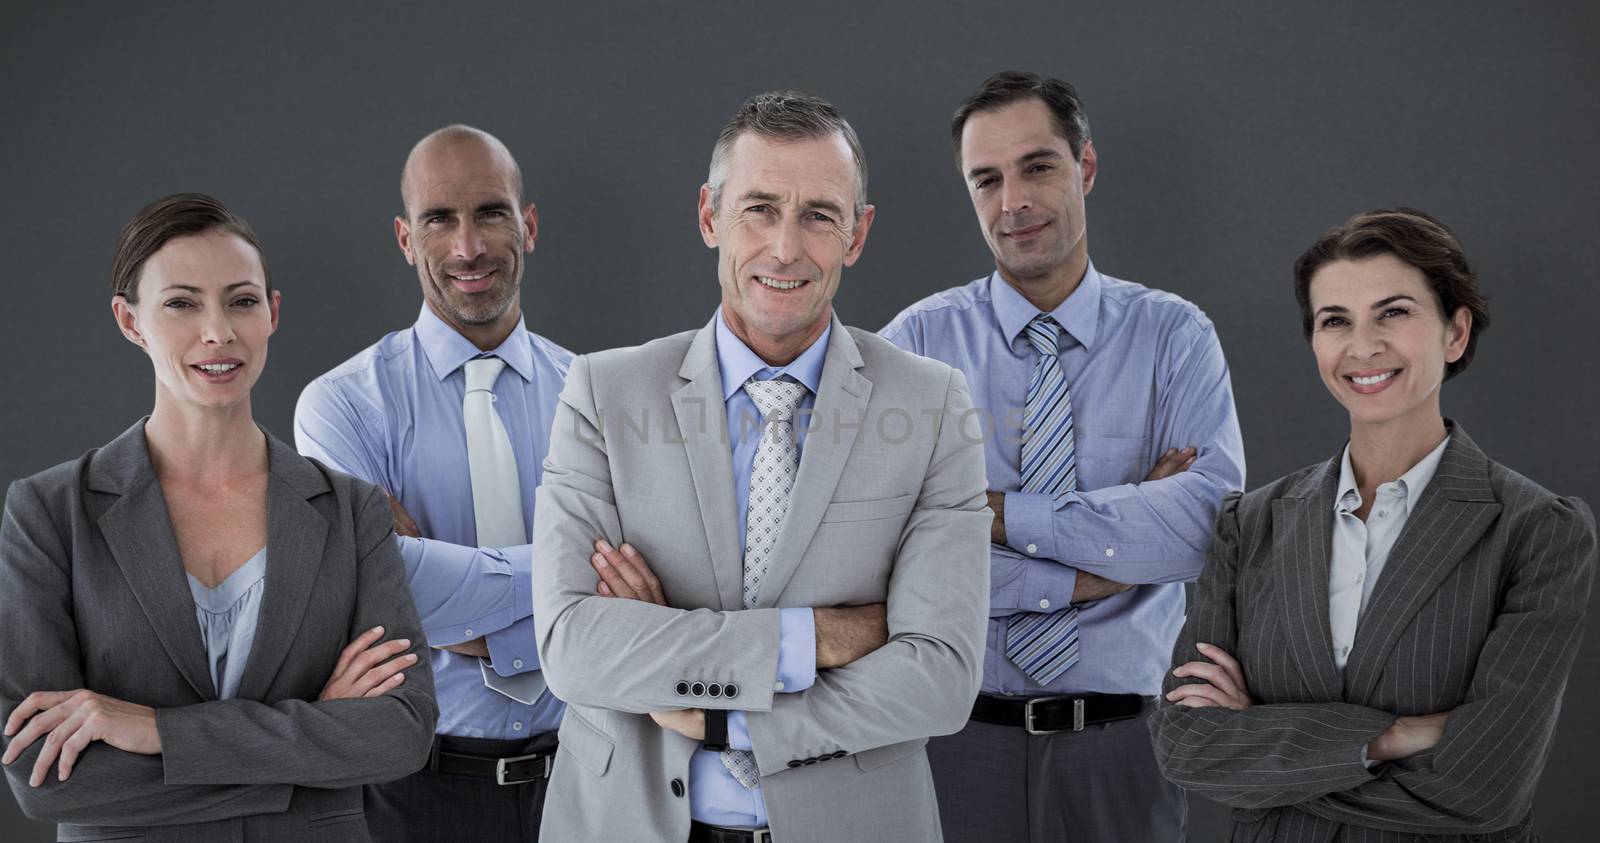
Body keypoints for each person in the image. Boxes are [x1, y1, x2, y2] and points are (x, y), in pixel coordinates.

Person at [530, 90, 990, 843]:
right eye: (759, 208)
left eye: (819, 214)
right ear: (710, 217)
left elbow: (939, 678)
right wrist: (811, 641)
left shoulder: (934, 405)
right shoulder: (603, 393)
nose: (784, 248)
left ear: (858, 233)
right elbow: (572, 647)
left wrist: (722, 717)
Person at [0, 193, 437, 842]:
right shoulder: (47, 513)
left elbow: (401, 733)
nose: (218, 331)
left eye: (241, 300)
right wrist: (316, 733)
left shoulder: (352, 510)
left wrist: (157, 731)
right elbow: (48, 773)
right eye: (181, 302)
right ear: (130, 320)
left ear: (272, 313)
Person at [1149, 208, 1597, 841]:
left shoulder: (1537, 532)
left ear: (1455, 333)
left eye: (1394, 312)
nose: (1363, 346)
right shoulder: (1247, 526)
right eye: (1336, 321)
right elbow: (1187, 748)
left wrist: (1265, 741)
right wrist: (1399, 735)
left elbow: (1482, 787)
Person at [880, 70, 1245, 841]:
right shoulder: (914, 345)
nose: (1013, 200)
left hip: (1125, 752)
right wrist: (1111, 561)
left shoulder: (1174, 338)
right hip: (953, 742)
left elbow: (1206, 525)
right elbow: (888, 557)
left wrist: (992, 514)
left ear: (1085, 166)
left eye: (1037, 166)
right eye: (987, 179)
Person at [294, 125, 571, 841]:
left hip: (587, 786)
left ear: (529, 225)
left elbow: (658, 591)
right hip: (415, 794)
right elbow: (388, 593)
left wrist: (452, 596)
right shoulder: (343, 403)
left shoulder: (598, 395)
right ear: (405, 238)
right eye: (439, 219)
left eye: (490, 213)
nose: (468, 247)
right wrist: (579, 578)